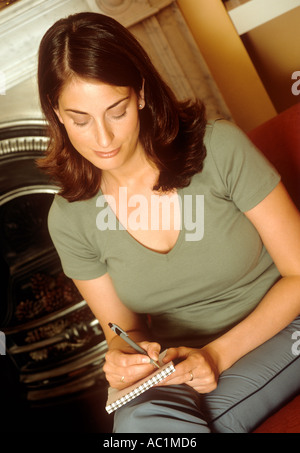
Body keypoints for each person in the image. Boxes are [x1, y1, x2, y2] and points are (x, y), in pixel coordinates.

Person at [37, 12, 300, 433]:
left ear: (140, 93)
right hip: (183, 363)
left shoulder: (219, 148)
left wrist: (216, 355)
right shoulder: (70, 219)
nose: (102, 139)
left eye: (116, 110)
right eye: (81, 119)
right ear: (57, 113)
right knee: (143, 422)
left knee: (164, 429)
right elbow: (126, 331)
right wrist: (127, 358)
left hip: (286, 325)